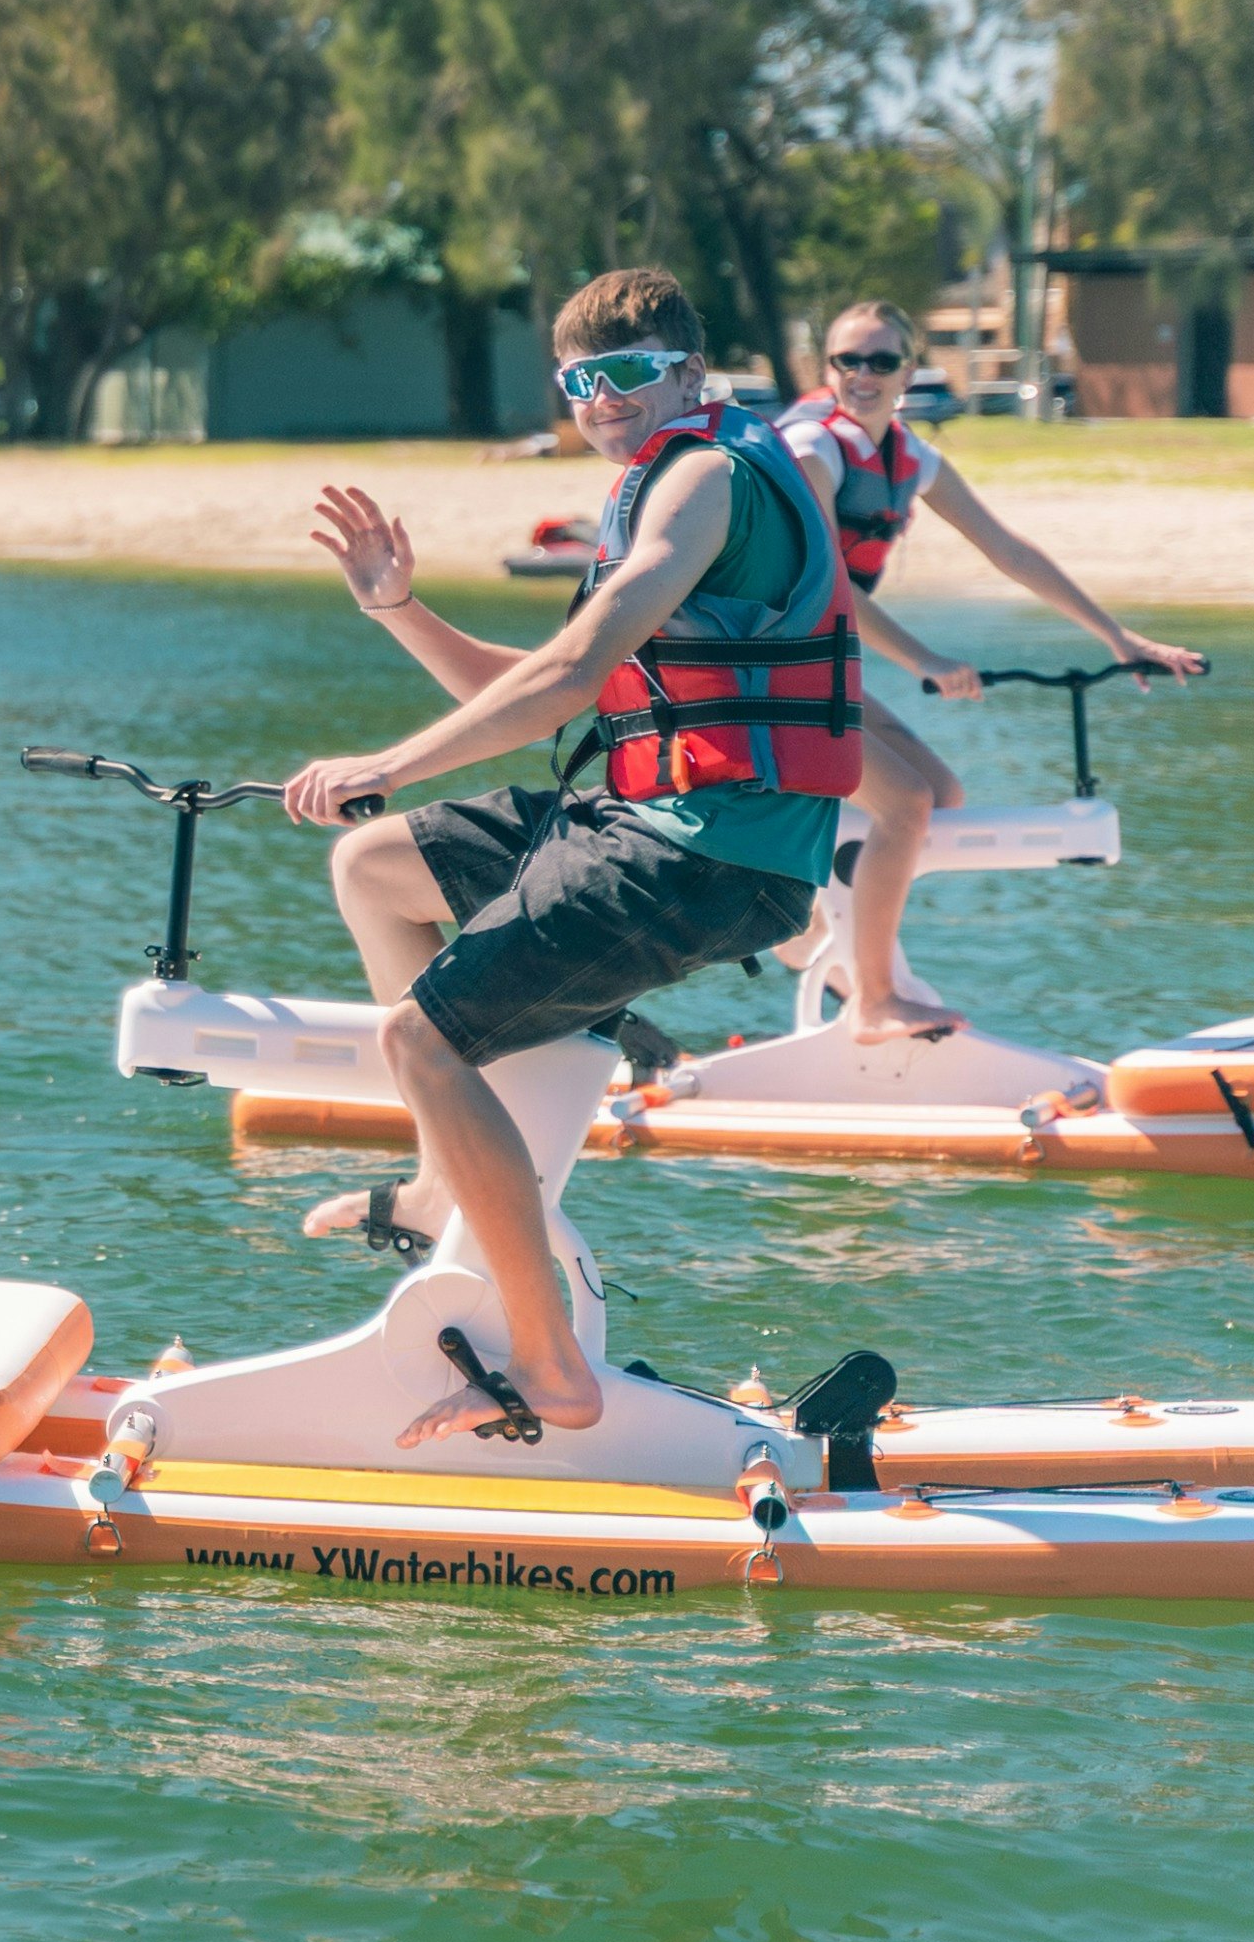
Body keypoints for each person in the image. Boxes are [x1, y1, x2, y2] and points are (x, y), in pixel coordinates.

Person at [281, 267, 858, 1446]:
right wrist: (397, 608)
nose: (600, 401)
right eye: (577, 382)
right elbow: (555, 691)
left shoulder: (703, 479)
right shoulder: (659, 484)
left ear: (689, 374)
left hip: (710, 857)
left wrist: (388, 760)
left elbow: (570, 672)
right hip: (637, 822)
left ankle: (549, 1370)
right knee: (375, 869)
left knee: (419, 1041)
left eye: (626, 375)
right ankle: (443, 1182)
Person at [771, 300, 1205, 1041]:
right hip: (766, 672)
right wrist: (926, 659)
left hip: (819, 670)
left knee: (940, 794)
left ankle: (809, 932)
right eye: (848, 360)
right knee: (904, 804)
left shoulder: (909, 457)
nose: (864, 375)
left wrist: (1116, 636)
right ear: (828, 369)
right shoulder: (813, 448)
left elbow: (1008, 551)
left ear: (909, 370)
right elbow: (826, 585)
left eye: (882, 361)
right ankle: (871, 998)